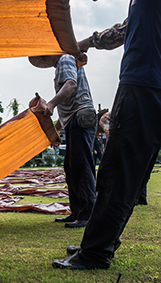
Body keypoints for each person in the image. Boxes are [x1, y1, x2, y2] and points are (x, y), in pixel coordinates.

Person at [49, 0, 161, 270]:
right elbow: (120, 32)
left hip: (146, 90)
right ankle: (95, 244)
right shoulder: (146, 2)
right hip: (145, 89)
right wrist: (85, 43)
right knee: (114, 173)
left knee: (117, 176)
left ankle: (95, 253)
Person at [29, 54, 97, 228]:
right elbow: (66, 108)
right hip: (73, 120)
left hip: (80, 117)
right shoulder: (61, 65)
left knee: (81, 166)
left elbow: (71, 85)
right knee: (71, 167)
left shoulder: (65, 59)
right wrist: (55, 130)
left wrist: (50, 104)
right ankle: (77, 212)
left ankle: (88, 214)